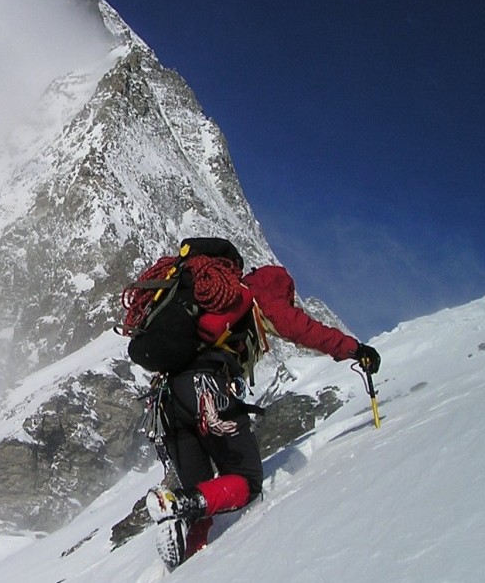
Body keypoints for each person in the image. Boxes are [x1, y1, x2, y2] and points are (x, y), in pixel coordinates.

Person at [136, 242, 381, 569]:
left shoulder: (197, 299)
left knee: (205, 493)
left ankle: (187, 566)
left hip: (166, 403)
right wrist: (354, 349)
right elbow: (302, 329)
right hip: (207, 391)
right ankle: (178, 504)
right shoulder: (256, 292)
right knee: (247, 480)